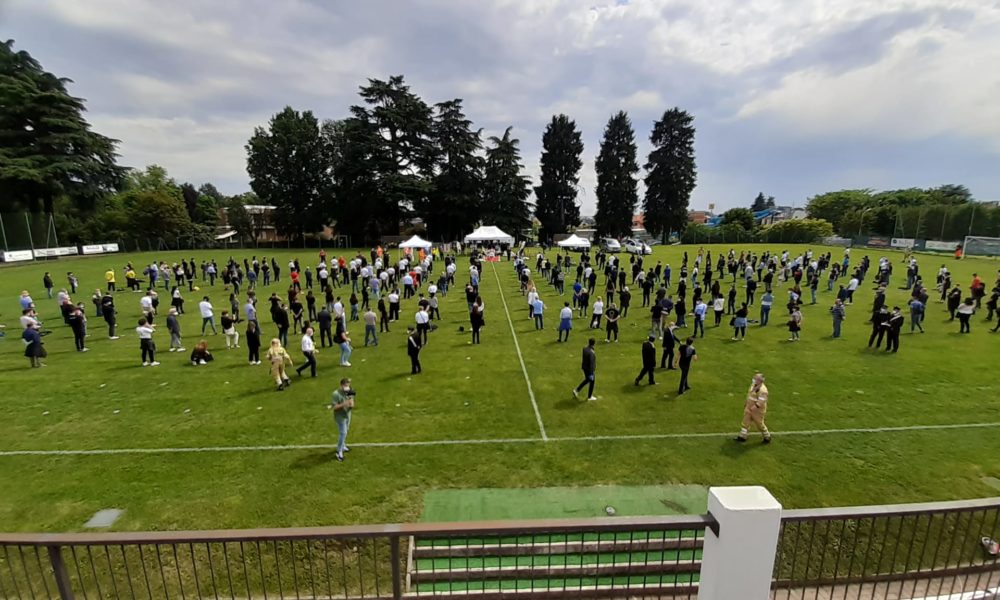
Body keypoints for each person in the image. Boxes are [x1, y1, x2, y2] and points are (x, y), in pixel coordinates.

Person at [735, 373, 771, 444]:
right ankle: (742, 436)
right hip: (749, 408)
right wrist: (746, 403)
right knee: (745, 422)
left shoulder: (763, 391)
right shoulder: (753, 386)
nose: (754, 379)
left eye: (755, 378)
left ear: (760, 381)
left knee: (759, 424)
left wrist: (752, 409)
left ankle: (767, 436)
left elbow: (760, 402)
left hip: (757, 411)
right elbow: (749, 395)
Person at [330, 377, 355, 462]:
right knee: (343, 433)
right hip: (340, 417)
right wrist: (344, 404)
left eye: (348, 385)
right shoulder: (336, 394)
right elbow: (334, 407)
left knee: (346, 431)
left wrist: (351, 404)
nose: (347, 387)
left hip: (348, 415)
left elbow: (352, 404)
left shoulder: (350, 391)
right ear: (341, 385)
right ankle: (339, 451)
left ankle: (343, 446)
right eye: (345, 385)